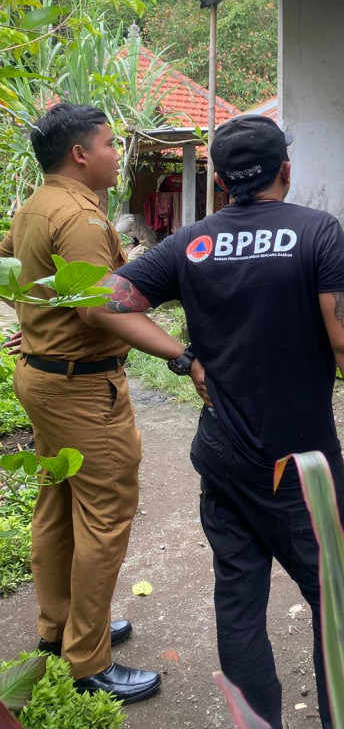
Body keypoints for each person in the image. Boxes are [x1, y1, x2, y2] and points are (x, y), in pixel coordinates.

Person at [79, 113, 344, 729]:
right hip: (302, 465)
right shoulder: (316, 233)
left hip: (225, 457)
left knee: (239, 602)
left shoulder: (191, 243)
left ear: (220, 181)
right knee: (337, 599)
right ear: (285, 169)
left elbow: (100, 301)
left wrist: (183, 356)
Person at [0, 103, 161, 704]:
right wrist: (179, 353)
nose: (116, 153)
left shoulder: (37, 205)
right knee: (104, 515)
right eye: (109, 143)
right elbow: (99, 310)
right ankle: (86, 660)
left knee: (57, 503)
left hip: (44, 378)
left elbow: (12, 265)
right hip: (82, 389)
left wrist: (37, 322)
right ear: (80, 154)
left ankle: (59, 627)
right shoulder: (81, 220)